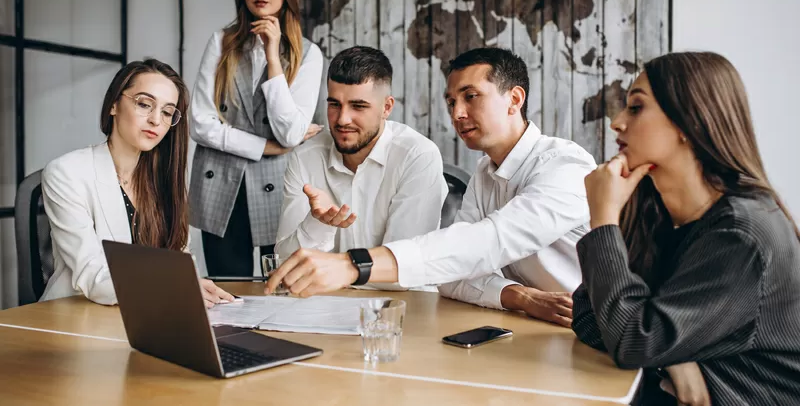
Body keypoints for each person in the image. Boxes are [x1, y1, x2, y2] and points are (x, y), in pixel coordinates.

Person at [265, 48, 597, 329]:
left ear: (514, 99)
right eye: (451, 101)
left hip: (596, 329)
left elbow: (490, 241)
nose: (457, 113)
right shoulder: (485, 172)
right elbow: (454, 276)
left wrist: (354, 264)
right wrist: (520, 296)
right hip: (536, 328)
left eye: (470, 97)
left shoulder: (565, 166)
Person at [572, 52, 800, 404]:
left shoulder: (741, 234)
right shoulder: (656, 210)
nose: (617, 122)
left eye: (635, 107)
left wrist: (603, 219)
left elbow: (632, 339)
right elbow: (590, 318)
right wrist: (673, 362)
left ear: (686, 124)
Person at [40, 59, 234, 308]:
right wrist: (175, 286)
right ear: (113, 105)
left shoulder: (163, 179)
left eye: (166, 112)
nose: (156, 120)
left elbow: (178, 261)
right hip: (78, 316)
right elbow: (92, 276)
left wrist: (190, 283)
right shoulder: (66, 173)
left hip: (147, 314)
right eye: (144, 104)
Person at [189, 0, 323, 276]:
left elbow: (289, 135)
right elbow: (199, 123)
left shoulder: (308, 54)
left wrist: (274, 56)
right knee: (227, 290)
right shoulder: (222, 42)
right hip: (219, 184)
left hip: (277, 186)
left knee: (278, 289)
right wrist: (263, 147)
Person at [274, 46, 447, 291]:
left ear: (386, 107)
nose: (342, 119)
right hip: (323, 308)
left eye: (358, 106)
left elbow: (402, 272)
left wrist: (337, 269)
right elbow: (284, 265)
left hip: (403, 309)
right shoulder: (305, 157)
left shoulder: (417, 155)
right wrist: (318, 223)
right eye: (335, 104)